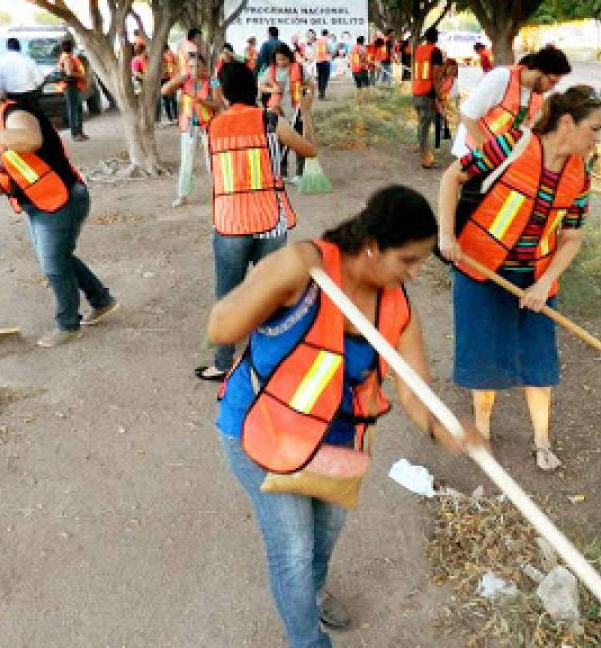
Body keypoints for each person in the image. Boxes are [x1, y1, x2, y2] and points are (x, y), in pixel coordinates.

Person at [209, 184, 482, 647]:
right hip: (263, 429)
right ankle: (309, 640)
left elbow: (415, 391)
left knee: (324, 537)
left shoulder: (397, 306)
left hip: (337, 442)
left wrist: (444, 429)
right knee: (293, 551)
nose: (416, 274)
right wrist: (280, 281)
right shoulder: (304, 268)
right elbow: (220, 327)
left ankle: (311, 595)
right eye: (409, 260)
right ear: (373, 247)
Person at [437, 85, 601, 472]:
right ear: (568, 123)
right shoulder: (512, 145)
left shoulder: (580, 175)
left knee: (538, 360)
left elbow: (572, 237)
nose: (598, 139)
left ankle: (542, 439)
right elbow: (453, 177)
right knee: (484, 360)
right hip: (479, 271)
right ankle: (481, 433)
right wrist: (447, 235)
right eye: (594, 129)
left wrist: (546, 282)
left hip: (534, 280)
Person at [0, 79, 118, 348]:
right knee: (58, 258)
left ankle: (68, 325)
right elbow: (6, 177)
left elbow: (29, 141)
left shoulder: (16, 114)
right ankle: (101, 300)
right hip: (39, 203)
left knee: (53, 264)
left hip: (62, 199)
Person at [195, 61, 317, 381]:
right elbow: (310, 151)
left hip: (230, 223)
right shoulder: (270, 120)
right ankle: (276, 362)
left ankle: (223, 364)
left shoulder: (213, 127)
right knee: (273, 292)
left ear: (225, 91)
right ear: (253, 88)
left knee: (229, 295)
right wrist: (307, 112)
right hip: (270, 221)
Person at [453, 47, 570, 159]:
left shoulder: (535, 93)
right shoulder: (501, 77)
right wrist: (488, 151)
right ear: (539, 72)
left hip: (498, 155)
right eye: (552, 82)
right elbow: (467, 115)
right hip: (472, 150)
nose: (551, 88)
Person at [164, 53, 220, 208]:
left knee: (212, 161)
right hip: (188, 126)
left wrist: (201, 100)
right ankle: (183, 194)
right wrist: (180, 77)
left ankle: (219, 192)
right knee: (186, 161)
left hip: (208, 125)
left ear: (204, 67)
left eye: (197, 66)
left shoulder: (213, 81)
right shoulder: (185, 81)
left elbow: (217, 104)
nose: (194, 70)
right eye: (191, 67)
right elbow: (164, 90)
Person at [259, 43, 310, 184]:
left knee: (299, 142)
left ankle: (300, 173)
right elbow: (261, 85)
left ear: (289, 57)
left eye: (284, 59)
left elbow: (310, 83)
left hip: (296, 111)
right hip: (278, 112)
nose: (281, 62)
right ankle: (282, 172)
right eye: (278, 59)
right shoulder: (270, 71)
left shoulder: (299, 68)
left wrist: (303, 90)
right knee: (280, 143)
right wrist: (272, 90)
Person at [412, 27, 445, 169]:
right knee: (425, 126)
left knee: (421, 124)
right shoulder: (435, 52)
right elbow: (436, 77)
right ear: (436, 37)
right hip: (427, 93)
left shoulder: (419, 49)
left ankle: (424, 152)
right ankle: (426, 159)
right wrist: (440, 96)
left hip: (416, 90)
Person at [0, 38, 44, 117]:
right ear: (19, 47)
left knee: (17, 120)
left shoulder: (1, 62)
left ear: (7, 48)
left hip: (12, 97)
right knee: (36, 118)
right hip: (30, 95)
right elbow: (40, 78)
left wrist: (1, 97)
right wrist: (34, 86)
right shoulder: (28, 59)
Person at [57, 40, 88, 141]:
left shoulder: (67, 57)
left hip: (73, 86)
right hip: (70, 86)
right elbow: (69, 72)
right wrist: (81, 76)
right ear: (71, 47)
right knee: (73, 110)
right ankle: (75, 133)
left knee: (77, 108)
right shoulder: (66, 57)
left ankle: (79, 131)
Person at [314, 29, 333, 100]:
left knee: (319, 78)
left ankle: (319, 92)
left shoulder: (317, 41)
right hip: (325, 61)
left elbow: (315, 50)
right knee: (324, 78)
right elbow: (330, 50)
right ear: (327, 34)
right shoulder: (328, 41)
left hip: (318, 61)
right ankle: (322, 93)